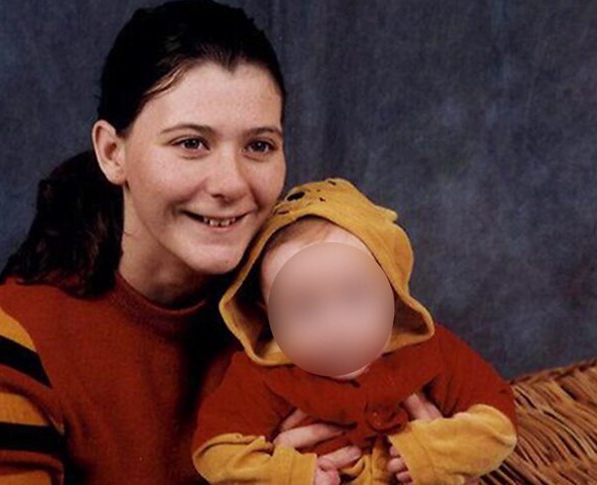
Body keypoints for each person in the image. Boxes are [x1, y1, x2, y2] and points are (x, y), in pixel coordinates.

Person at [0, 1, 457, 483]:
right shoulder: (15, 337)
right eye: (191, 143)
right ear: (111, 152)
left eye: (259, 146)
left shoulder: (306, 300)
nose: (231, 183)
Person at [191, 177, 518, 484]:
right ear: (268, 315)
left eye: (355, 296)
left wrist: (438, 453)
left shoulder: (426, 345)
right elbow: (215, 451)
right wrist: (290, 473)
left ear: (390, 289)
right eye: (304, 308)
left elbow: (497, 421)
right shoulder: (263, 373)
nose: (335, 328)